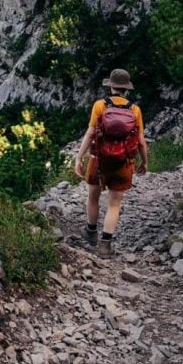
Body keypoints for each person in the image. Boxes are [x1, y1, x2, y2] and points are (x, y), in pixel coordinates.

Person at [73, 68, 149, 257]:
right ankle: (105, 245)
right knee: (114, 204)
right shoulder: (135, 110)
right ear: (126, 88)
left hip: (99, 160)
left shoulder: (100, 105)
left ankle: (91, 232)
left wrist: (79, 157)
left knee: (93, 197)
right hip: (124, 162)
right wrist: (144, 162)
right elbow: (140, 141)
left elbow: (90, 133)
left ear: (111, 86)